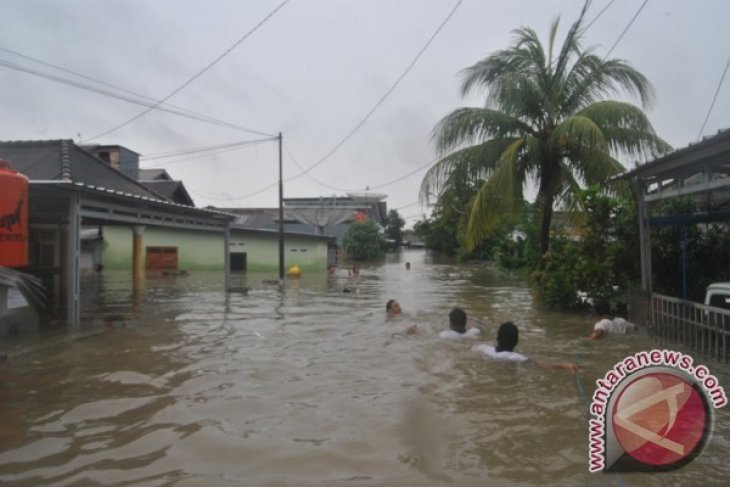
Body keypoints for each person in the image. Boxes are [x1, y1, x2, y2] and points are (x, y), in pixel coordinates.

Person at [474, 321, 578, 373]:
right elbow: (541, 365)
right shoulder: (516, 357)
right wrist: (564, 366)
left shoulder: (483, 348)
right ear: (516, 341)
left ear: (497, 338)